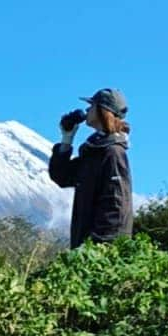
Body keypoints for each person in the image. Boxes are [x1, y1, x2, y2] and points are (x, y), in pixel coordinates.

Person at [48, 88, 133, 248]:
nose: (87, 110)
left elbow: (116, 203)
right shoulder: (94, 151)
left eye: (92, 105)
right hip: (86, 245)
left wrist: (98, 244)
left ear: (103, 110)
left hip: (102, 248)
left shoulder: (113, 152)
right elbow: (62, 176)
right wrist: (67, 138)